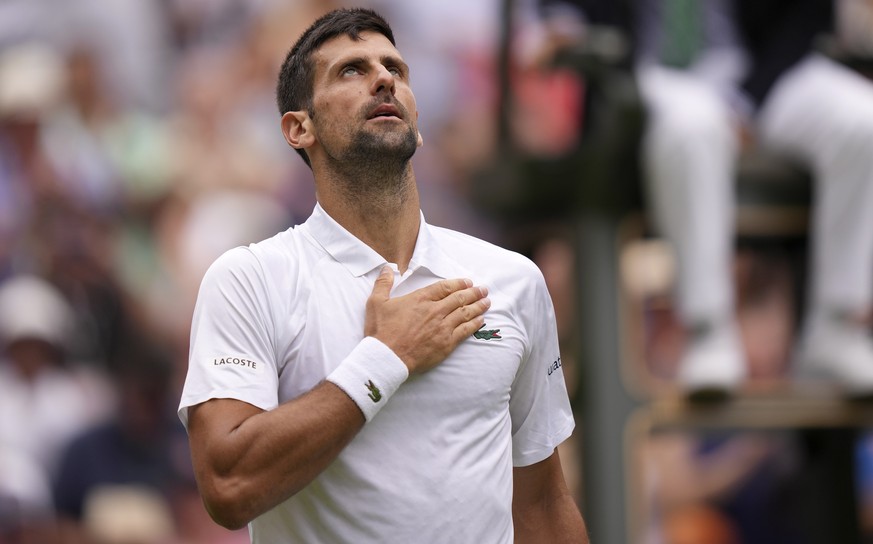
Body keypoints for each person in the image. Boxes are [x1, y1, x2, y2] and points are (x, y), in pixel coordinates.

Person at [177, 7, 587, 543]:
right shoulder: (249, 279)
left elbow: (543, 504)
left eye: (395, 67)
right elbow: (228, 486)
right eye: (351, 70)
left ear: (416, 126)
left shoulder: (513, 280)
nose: (384, 78)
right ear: (299, 128)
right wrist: (385, 359)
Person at [535, 0, 873, 398]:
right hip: (651, 70)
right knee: (693, 127)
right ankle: (707, 329)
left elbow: (806, 18)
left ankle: (838, 324)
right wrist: (562, 22)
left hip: (762, 69)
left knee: (862, 120)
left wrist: (746, 103)